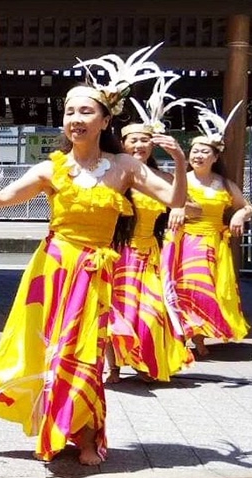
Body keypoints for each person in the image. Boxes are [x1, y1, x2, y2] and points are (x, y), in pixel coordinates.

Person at [0, 45, 187, 465]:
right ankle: (58, 428)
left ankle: (87, 437)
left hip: (96, 271)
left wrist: (176, 162)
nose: (76, 119)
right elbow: (0, 200)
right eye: (70, 112)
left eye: (86, 112)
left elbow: (172, 198)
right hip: (52, 269)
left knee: (84, 349)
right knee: (49, 349)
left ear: (106, 120)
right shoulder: (53, 167)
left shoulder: (125, 165)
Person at [105, 75, 199, 383]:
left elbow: (193, 206)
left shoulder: (163, 178)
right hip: (116, 253)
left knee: (149, 311)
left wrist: (181, 206)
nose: (139, 145)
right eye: (133, 140)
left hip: (148, 256)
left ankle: (145, 361)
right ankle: (114, 367)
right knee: (111, 310)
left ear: (152, 145)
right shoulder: (115, 173)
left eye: (145, 140)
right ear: (123, 143)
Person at [163, 102, 252, 357]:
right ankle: (190, 337)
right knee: (188, 285)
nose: (198, 155)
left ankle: (198, 334)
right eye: (195, 151)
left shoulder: (224, 183)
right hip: (186, 240)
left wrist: (239, 214)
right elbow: (165, 204)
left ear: (215, 157)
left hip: (214, 244)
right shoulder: (181, 179)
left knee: (207, 291)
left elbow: (247, 206)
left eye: (204, 152)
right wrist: (177, 209)